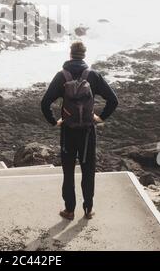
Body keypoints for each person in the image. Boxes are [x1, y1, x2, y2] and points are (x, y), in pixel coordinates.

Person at [41, 41, 118, 220]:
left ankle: (69, 210)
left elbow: (45, 103)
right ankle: (88, 209)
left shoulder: (62, 76)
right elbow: (113, 100)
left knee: (68, 171)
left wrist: (54, 121)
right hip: (88, 132)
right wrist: (100, 117)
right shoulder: (93, 76)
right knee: (88, 170)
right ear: (84, 55)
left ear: (70, 54)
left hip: (68, 132)